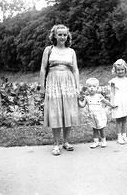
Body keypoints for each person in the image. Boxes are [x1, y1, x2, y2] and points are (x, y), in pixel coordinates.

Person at [40, 24, 80, 156]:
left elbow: (75, 70)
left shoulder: (71, 51)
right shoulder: (49, 50)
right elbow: (43, 69)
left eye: (64, 34)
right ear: (54, 36)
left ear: (67, 36)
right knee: (55, 112)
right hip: (53, 82)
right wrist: (42, 86)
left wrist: (77, 86)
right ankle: (56, 144)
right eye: (60, 34)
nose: (62, 37)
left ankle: (66, 142)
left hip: (68, 82)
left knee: (67, 111)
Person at [78, 78, 117, 148]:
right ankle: (96, 142)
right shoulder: (87, 97)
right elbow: (82, 105)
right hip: (92, 116)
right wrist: (78, 100)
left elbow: (106, 102)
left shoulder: (99, 96)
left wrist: (112, 105)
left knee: (101, 129)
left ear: (97, 88)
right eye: (89, 87)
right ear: (87, 88)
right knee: (94, 129)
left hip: (100, 115)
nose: (91, 88)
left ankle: (103, 141)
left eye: (94, 86)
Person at [109, 59, 127, 145]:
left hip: (125, 101)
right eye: (118, 70)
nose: (120, 71)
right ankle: (119, 136)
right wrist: (112, 103)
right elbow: (112, 93)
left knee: (125, 119)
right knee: (119, 119)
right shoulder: (113, 81)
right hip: (117, 101)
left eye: (122, 69)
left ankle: (124, 135)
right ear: (115, 70)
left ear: (125, 69)